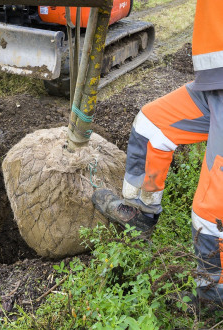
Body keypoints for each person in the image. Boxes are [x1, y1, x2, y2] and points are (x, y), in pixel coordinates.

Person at [92, 0, 223, 304]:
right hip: (214, 85)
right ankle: (140, 215)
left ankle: (212, 294)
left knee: (212, 211)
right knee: (152, 127)